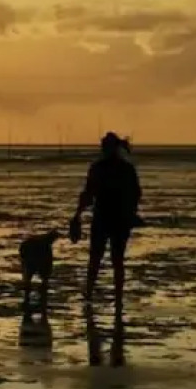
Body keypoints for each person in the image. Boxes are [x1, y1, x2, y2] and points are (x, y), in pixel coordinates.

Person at [71, 132, 141, 310]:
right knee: (114, 260)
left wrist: (77, 215)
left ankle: (91, 293)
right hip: (117, 219)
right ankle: (113, 298)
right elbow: (136, 194)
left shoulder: (100, 168)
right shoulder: (125, 169)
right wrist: (77, 215)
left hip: (106, 218)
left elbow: (88, 194)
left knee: (99, 258)